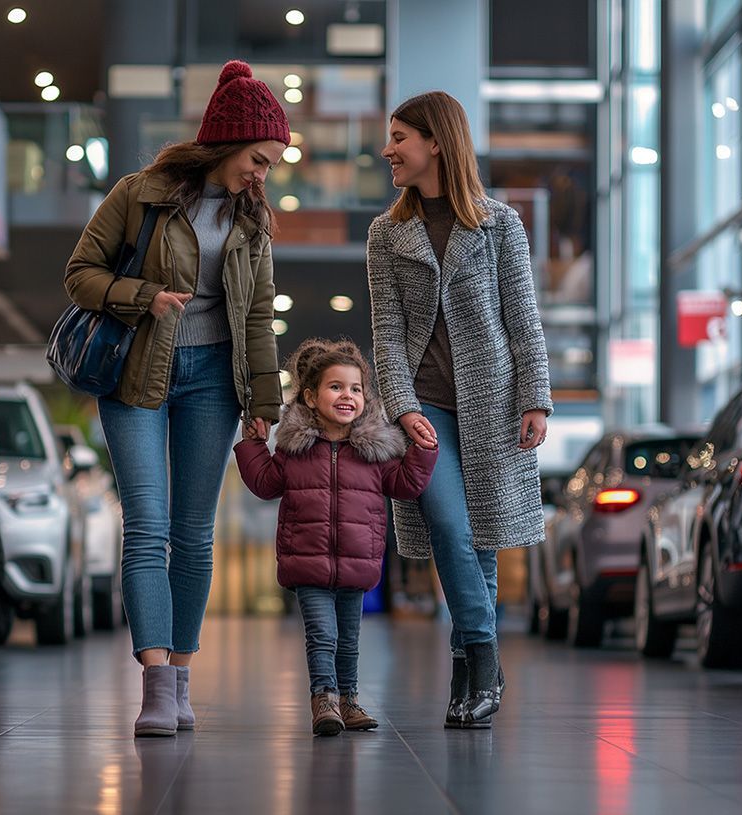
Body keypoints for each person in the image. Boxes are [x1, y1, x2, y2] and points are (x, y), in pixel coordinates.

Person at [64, 60, 289, 737]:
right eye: (258, 158)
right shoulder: (143, 194)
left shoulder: (253, 223)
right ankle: (155, 684)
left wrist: (264, 402)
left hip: (214, 381)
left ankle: (182, 678)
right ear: (226, 144)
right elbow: (81, 273)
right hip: (136, 372)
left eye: (273, 161)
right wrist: (145, 297)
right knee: (149, 527)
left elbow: (254, 318)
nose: (264, 173)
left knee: (193, 534)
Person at [366, 91, 553, 729]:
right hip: (424, 409)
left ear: (436, 142)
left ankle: (467, 676)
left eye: (399, 138)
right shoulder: (386, 235)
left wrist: (535, 398)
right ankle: (484, 655)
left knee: (485, 538)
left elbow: (523, 320)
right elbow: (386, 332)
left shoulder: (500, 225)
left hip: (494, 402)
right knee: (450, 526)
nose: (387, 150)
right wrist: (400, 404)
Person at [234, 338, 437, 736]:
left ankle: (348, 699)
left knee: (349, 638)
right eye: (336, 387)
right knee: (322, 634)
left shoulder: (376, 452)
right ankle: (323, 698)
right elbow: (265, 482)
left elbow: (406, 484)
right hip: (306, 561)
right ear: (310, 397)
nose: (348, 395)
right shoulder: (295, 449)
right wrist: (252, 444)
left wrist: (423, 450)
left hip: (357, 562)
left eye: (356, 388)